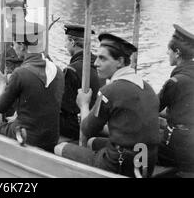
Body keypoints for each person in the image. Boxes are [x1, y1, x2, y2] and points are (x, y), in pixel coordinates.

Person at [55, 33, 159, 177]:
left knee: (60, 148)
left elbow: (86, 129)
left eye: (102, 58)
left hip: (120, 164)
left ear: (120, 61)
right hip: (146, 162)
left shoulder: (110, 91)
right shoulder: (146, 87)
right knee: (91, 142)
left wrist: (84, 105)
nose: (96, 63)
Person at [0, 22, 65, 152]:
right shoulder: (58, 71)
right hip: (51, 139)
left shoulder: (21, 73)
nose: (12, 47)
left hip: (24, 136)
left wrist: (2, 84)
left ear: (22, 46)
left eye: (14, 43)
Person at [157, 24, 194, 174]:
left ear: (177, 52)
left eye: (169, 50)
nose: (167, 53)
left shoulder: (175, 82)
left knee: (138, 146)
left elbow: (153, 107)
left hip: (179, 149)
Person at [60, 24, 103, 140]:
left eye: (66, 42)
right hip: (99, 121)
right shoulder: (100, 65)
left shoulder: (71, 70)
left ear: (72, 42)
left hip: (79, 126)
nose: (65, 45)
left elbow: (65, 107)